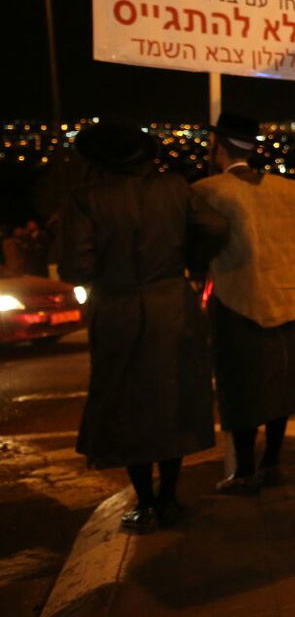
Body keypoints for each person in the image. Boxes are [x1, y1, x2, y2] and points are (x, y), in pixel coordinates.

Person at [58, 121, 228, 532]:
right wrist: (190, 259)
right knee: (172, 398)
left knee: (127, 404)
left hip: (117, 309)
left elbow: (75, 266)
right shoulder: (174, 187)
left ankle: (146, 502)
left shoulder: (86, 198)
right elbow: (216, 226)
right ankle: (168, 497)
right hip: (172, 303)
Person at [193, 112, 295, 494]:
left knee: (241, 386)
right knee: (281, 385)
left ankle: (245, 470)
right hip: (290, 297)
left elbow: (202, 243)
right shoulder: (292, 190)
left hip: (238, 298)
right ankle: (272, 463)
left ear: (218, 147)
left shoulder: (209, 190)